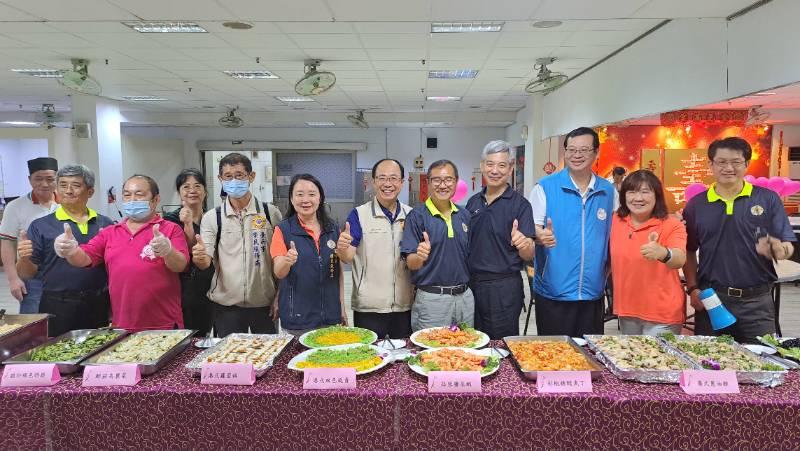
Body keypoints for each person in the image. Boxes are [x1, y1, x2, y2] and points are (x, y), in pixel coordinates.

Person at [683, 137, 795, 343]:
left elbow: (787, 246)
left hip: (757, 302)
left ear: (746, 164)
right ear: (711, 165)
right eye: (721, 162)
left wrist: (779, 250)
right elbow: (689, 251)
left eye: (736, 162)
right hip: (712, 298)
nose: (728, 168)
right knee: (710, 363)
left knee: (761, 362)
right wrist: (692, 289)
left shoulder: (768, 199)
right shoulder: (696, 206)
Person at [55, 175, 188, 331]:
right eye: (127, 194)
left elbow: (180, 265)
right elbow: (84, 258)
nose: (132, 199)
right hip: (122, 325)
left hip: (163, 324)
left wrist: (168, 251)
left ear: (155, 200)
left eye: (139, 194)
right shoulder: (110, 232)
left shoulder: (170, 229)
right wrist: (70, 250)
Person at [529, 127, 618, 337]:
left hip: (593, 291)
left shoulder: (608, 191)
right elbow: (531, 227)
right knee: (553, 358)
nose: (577, 155)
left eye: (584, 150)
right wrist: (539, 235)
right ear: (565, 152)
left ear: (596, 153)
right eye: (571, 149)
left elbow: (618, 232)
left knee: (589, 357)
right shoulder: (545, 188)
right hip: (553, 292)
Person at [16, 165, 114, 336]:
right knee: (58, 355)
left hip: (98, 303)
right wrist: (23, 258)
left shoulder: (105, 224)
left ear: (90, 192)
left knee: (99, 354)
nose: (68, 191)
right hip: (57, 305)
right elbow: (27, 274)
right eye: (62, 185)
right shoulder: (41, 226)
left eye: (76, 185)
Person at [193, 154, 282, 337]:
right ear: (220, 179)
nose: (233, 180)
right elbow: (204, 261)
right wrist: (200, 257)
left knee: (266, 359)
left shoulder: (270, 213)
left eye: (239, 175)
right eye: (228, 176)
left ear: (251, 177)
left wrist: (279, 297)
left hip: (264, 304)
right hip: (226, 307)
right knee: (228, 361)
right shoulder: (213, 218)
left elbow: (278, 260)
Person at [337, 159, 414, 338]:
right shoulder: (359, 214)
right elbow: (347, 256)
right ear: (373, 182)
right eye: (382, 178)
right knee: (370, 358)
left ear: (402, 182)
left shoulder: (411, 215)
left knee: (402, 358)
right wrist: (342, 247)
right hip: (369, 306)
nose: (388, 184)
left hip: (404, 304)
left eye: (394, 178)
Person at [465, 141, 535, 339]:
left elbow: (529, 254)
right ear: (482, 166)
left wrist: (525, 244)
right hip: (471, 286)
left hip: (503, 288)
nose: (495, 170)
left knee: (500, 347)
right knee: (472, 342)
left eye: (502, 165)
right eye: (490, 164)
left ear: (511, 168)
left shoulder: (521, 206)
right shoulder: (473, 202)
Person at [610, 170, 687, 335]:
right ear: (623, 196)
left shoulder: (671, 225)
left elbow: (679, 259)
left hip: (662, 314)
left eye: (645, 192)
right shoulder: (615, 221)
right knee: (631, 359)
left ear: (657, 196)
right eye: (632, 192)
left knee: (657, 360)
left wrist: (663, 253)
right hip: (627, 311)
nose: (638, 198)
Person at [401, 160, 473, 331]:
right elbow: (410, 262)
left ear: (456, 182)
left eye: (448, 180)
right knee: (431, 353)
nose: (443, 185)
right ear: (428, 183)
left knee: (465, 351)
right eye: (436, 180)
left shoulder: (464, 215)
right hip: (432, 300)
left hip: (465, 298)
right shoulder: (417, 216)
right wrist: (420, 255)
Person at [270, 173, 345, 336]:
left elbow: (337, 272)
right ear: (291, 198)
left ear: (320, 198)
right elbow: (279, 272)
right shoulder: (283, 230)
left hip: (331, 318)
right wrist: (287, 261)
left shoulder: (332, 229)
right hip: (298, 320)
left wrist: (342, 308)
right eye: (299, 194)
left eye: (312, 194)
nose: (306, 200)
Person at [0, 157, 59, 313]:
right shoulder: (15, 207)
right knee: (34, 327)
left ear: (57, 179)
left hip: (63, 274)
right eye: (38, 179)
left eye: (49, 179)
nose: (44, 184)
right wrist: (13, 279)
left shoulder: (66, 204)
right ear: (29, 180)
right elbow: (7, 244)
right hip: (32, 278)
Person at [163, 169, 214, 336]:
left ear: (205, 191)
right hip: (183, 289)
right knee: (185, 336)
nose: (192, 190)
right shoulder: (170, 220)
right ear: (179, 193)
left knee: (205, 334)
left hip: (210, 286)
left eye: (197, 186)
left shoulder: (213, 218)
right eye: (186, 187)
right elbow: (184, 253)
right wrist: (187, 225)